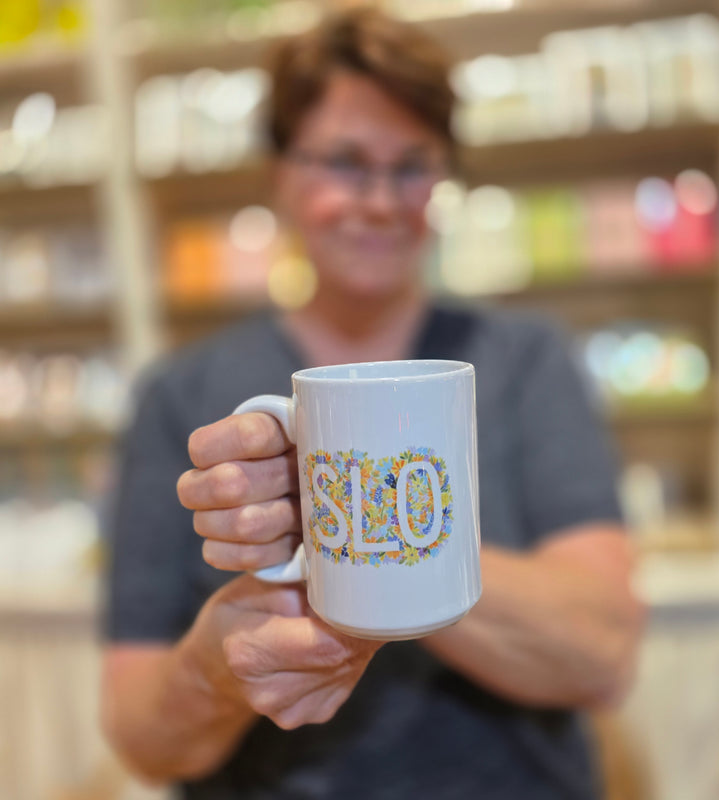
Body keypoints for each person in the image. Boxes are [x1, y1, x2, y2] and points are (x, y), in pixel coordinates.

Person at [102, 8, 644, 799]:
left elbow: (607, 652)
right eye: (346, 163)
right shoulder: (180, 395)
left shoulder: (525, 361)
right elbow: (138, 735)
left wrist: (356, 531)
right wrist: (215, 672)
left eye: (413, 165)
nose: (382, 201)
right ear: (280, 172)